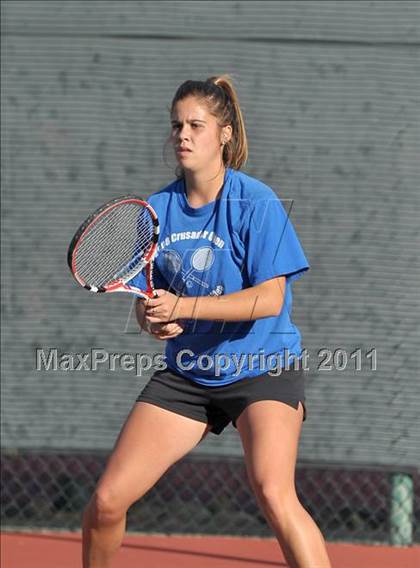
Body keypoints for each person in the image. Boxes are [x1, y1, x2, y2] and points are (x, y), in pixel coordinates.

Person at [82, 75, 332, 568]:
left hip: (264, 368)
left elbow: (268, 298)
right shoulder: (155, 210)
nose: (183, 135)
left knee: (273, 492)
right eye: (177, 125)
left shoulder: (255, 202)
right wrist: (153, 318)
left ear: (225, 135)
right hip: (190, 375)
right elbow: (149, 297)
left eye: (196, 125)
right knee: (107, 502)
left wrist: (185, 308)